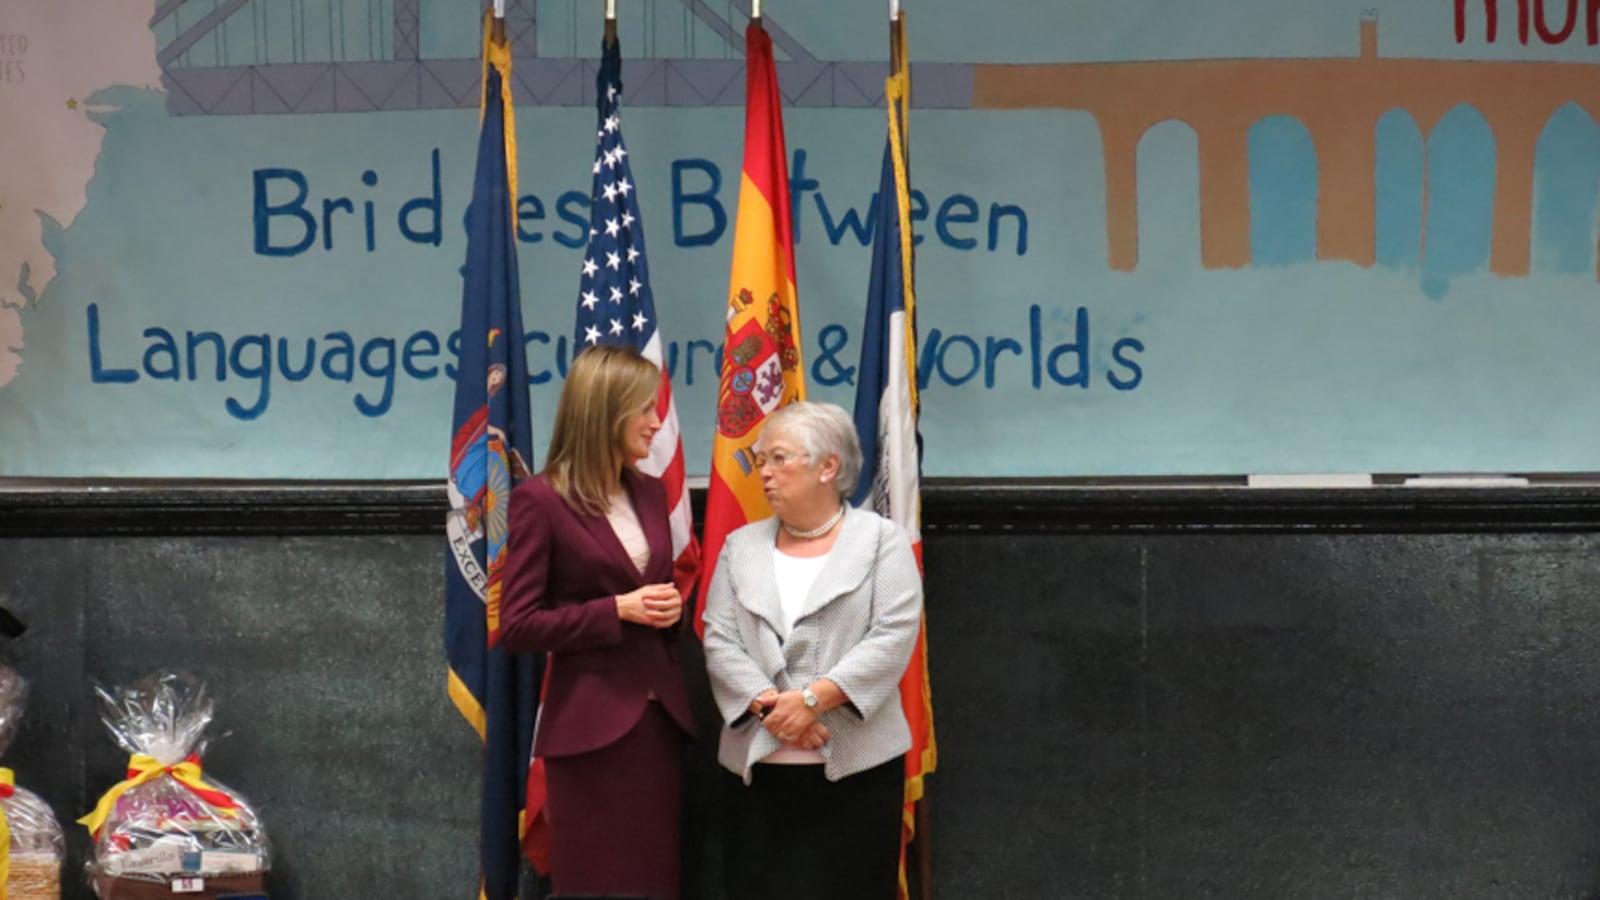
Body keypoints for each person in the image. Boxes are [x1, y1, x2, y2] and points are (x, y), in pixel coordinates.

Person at [701, 401, 923, 900]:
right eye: (762, 460)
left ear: (828, 467)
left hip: (858, 771)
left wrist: (811, 701)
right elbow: (720, 639)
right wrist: (774, 710)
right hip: (755, 773)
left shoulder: (882, 542)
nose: (765, 473)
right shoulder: (739, 546)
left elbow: (892, 636)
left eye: (780, 458)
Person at [500, 344, 695, 900]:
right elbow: (518, 625)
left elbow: (655, 585)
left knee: (654, 881)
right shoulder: (541, 501)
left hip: (657, 722)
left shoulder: (650, 492)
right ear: (606, 411)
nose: (656, 422)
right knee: (596, 881)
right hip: (588, 729)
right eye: (644, 409)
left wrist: (670, 610)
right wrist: (615, 610)